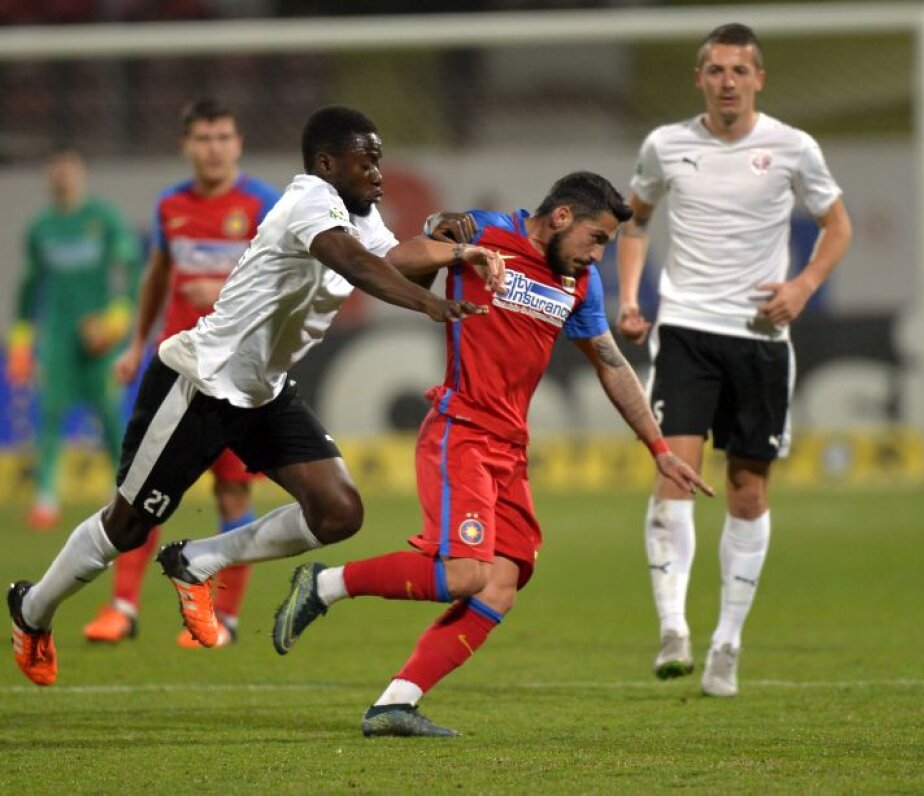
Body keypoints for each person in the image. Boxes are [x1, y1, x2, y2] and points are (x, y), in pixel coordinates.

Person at [7, 105, 504, 688]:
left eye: (380, 159)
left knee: (339, 512)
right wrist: (430, 303)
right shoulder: (309, 202)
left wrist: (449, 246)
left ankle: (200, 559)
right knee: (128, 526)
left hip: (261, 392)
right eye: (364, 159)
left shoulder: (359, 215)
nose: (377, 170)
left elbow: (395, 261)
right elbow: (358, 265)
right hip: (199, 382)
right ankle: (32, 609)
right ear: (326, 164)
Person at [270, 172, 713, 738]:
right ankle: (326, 584)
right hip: (461, 430)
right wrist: (453, 244)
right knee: (463, 573)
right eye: (596, 238)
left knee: (501, 582)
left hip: (509, 444)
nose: (598, 254)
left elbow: (609, 362)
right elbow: (399, 262)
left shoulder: (579, 282)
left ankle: (394, 703)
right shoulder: (485, 233)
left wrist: (658, 446)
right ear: (560, 218)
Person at [616, 23, 852, 697]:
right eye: (715, 70)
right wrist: (632, 297)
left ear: (758, 79)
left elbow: (839, 225)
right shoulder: (666, 145)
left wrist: (804, 286)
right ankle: (672, 629)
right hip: (686, 329)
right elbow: (634, 219)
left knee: (748, 491)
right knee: (676, 471)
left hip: (760, 337)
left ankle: (727, 642)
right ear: (699, 78)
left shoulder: (792, 148)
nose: (727, 82)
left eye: (738, 71)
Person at [82, 98, 282, 649]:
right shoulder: (171, 204)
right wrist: (133, 344)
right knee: (141, 492)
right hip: (176, 370)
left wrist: (221, 293)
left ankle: (224, 617)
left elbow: (280, 283)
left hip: (238, 375)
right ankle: (122, 606)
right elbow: (157, 275)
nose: (213, 148)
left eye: (222, 137)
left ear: (238, 144)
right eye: (203, 138)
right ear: (186, 146)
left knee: (233, 497)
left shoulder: (264, 204)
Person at [7, 147, 139, 532]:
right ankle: (46, 496)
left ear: (80, 172)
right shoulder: (41, 228)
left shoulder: (102, 219)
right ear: (49, 175)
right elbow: (30, 287)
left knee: (109, 415)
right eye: (56, 168)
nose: (63, 175)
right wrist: (21, 339)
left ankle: (123, 491)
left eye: (69, 167)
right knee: (49, 414)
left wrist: (117, 316)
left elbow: (130, 266)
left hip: (98, 339)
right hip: (58, 338)